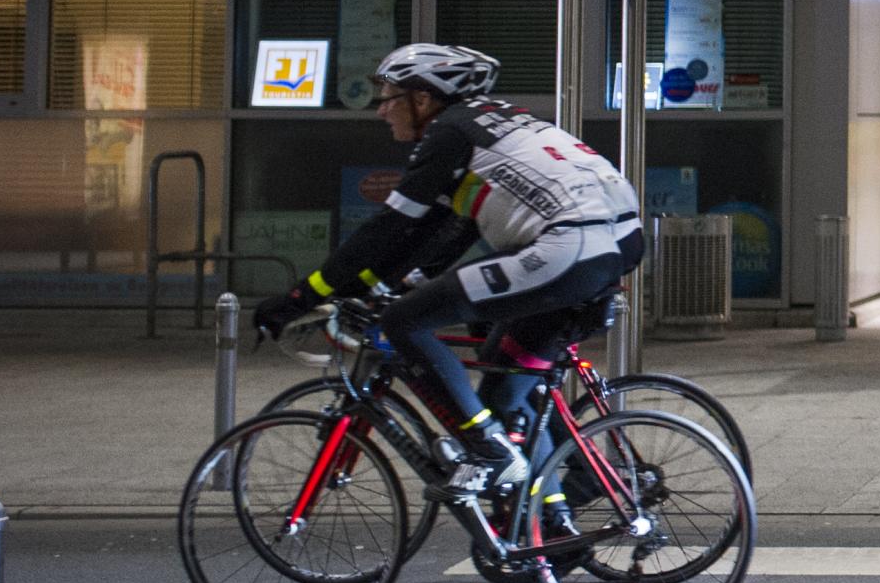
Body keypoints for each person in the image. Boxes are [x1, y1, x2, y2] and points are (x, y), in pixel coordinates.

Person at [253, 44, 644, 503]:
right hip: (616, 242)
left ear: (423, 99)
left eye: (389, 96)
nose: (381, 109)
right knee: (502, 374)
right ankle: (557, 513)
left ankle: (489, 452)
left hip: (570, 247)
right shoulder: (489, 125)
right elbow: (440, 232)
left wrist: (299, 298)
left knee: (404, 323)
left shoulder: (448, 133)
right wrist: (390, 284)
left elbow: (389, 229)